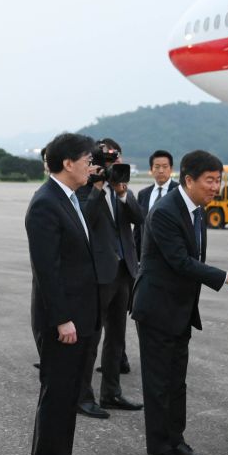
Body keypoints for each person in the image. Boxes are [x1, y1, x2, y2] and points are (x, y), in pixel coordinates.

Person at [131, 150, 228, 455]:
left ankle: (176, 442)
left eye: (219, 180)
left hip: (180, 310)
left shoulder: (197, 210)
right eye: (210, 181)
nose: (216, 187)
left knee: (177, 382)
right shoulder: (164, 212)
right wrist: (226, 277)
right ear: (189, 180)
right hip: (158, 310)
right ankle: (158, 451)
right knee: (159, 385)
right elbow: (180, 262)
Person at [25, 133, 100, 455]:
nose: (92, 165)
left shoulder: (69, 199)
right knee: (55, 397)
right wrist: (62, 319)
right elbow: (47, 270)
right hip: (62, 322)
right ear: (67, 163)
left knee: (69, 396)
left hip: (80, 316)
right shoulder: (45, 203)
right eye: (87, 159)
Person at [76, 138, 144, 418]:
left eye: (116, 162)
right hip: (99, 274)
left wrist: (121, 193)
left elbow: (139, 218)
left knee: (116, 337)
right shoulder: (83, 189)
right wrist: (97, 187)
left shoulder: (121, 188)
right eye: (108, 163)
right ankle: (83, 396)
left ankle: (111, 392)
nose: (113, 167)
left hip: (124, 272)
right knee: (92, 337)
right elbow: (84, 220)